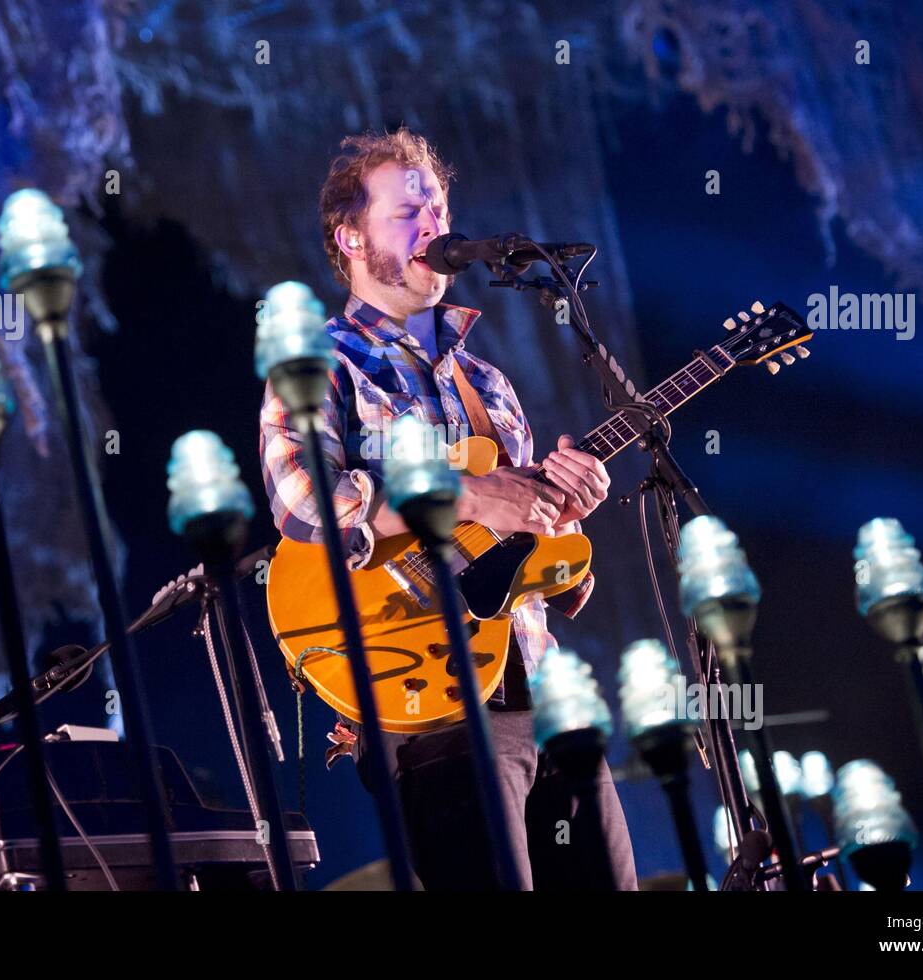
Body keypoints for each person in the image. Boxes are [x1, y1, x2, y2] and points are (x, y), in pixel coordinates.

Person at [258, 128, 636, 889]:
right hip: (425, 701)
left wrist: (562, 514)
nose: (434, 225)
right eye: (408, 212)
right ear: (351, 238)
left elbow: (543, 580)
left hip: (544, 691)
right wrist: (466, 494)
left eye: (437, 207)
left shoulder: (489, 384)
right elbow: (304, 504)